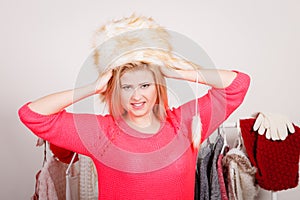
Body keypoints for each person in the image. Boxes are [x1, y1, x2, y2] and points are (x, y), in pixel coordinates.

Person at [18, 15, 250, 200]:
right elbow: (32, 114)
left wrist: (177, 72)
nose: (136, 96)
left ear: (157, 86)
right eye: (126, 87)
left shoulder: (184, 123)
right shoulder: (101, 133)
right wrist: (93, 88)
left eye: (145, 85)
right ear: (115, 90)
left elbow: (238, 84)